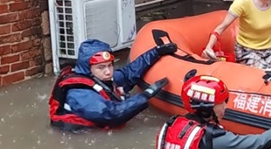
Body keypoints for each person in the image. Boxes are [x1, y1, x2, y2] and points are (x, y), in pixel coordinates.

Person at [48, 39, 177, 131]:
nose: (108, 71)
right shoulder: (79, 93)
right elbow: (112, 114)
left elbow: (128, 73)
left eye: (110, 65)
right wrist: (145, 95)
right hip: (83, 136)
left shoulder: (101, 78)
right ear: (88, 69)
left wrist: (156, 52)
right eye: (101, 67)